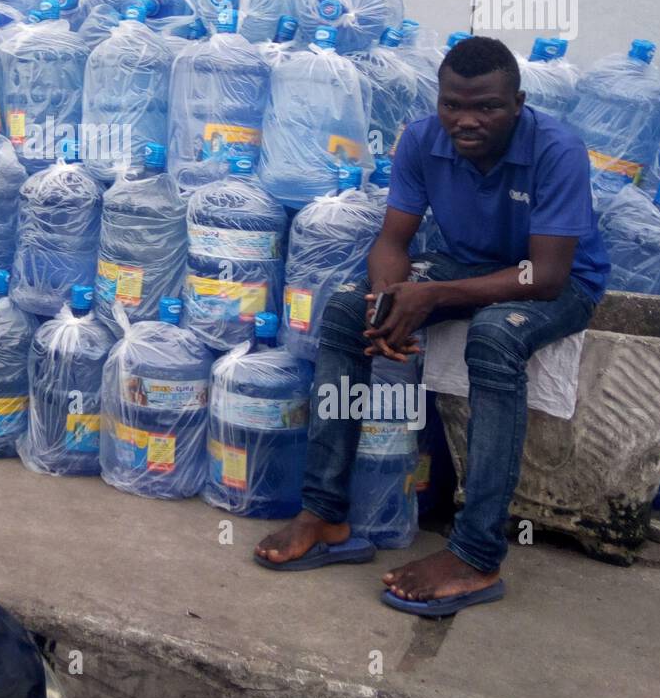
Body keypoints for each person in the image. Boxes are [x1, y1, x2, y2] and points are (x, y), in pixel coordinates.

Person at [254, 35, 610, 616]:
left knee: (494, 338)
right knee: (349, 310)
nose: (466, 121)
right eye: (453, 105)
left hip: (558, 285)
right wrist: (392, 299)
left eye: (487, 107)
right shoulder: (421, 138)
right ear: (439, 100)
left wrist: (435, 295)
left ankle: (476, 554)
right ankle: (325, 516)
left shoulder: (556, 149)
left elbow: (545, 275)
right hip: (469, 264)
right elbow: (392, 240)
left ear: (517, 103)